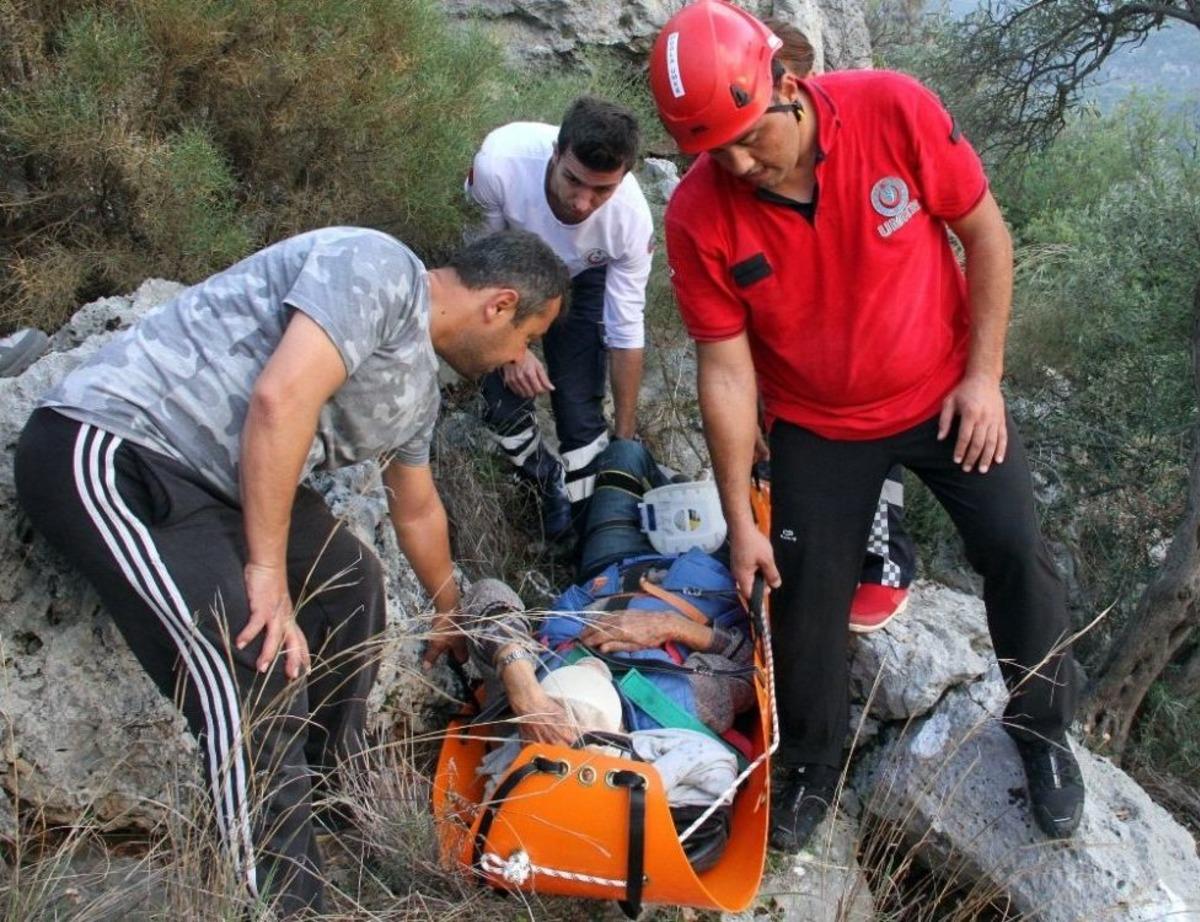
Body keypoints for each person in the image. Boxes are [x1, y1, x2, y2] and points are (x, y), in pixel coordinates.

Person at [14, 226, 569, 916]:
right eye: (526, 338)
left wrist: (450, 609)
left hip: (222, 487)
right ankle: (284, 902)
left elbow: (417, 506)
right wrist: (267, 576)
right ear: (500, 305)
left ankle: (333, 808)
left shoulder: (421, 388)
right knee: (252, 664)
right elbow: (282, 398)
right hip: (120, 447)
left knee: (350, 586)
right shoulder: (379, 267)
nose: (520, 358)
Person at [648, 0, 1083, 853]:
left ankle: (1041, 731)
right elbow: (727, 369)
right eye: (710, 151)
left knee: (1016, 548)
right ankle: (809, 762)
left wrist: (984, 380)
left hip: (940, 390)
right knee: (802, 591)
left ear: (787, 82)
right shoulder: (699, 214)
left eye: (747, 136)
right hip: (819, 418)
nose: (735, 164)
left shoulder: (891, 109)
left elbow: (985, 235)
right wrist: (740, 521)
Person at [761, 18, 915, 632]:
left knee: (878, 461)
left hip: (866, 349)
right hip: (792, 358)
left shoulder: (854, 142)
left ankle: (884, 561)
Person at [466, 96, 655, 539]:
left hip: (583, 278)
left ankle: (588, 529)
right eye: (573, 180)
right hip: (505, 270)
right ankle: (543, 481)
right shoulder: (500, 164)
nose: (583, 202)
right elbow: (472, 273)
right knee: (502, 398)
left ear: (624, 179)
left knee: (578, 409)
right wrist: (513, 350)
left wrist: (625, 439)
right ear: (555, 153)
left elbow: (626, 329)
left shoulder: (630, 220)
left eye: (602, 191)